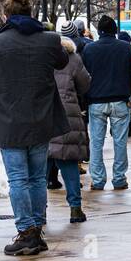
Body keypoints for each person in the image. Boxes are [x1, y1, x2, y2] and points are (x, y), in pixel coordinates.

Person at [0, 0, 68, 256]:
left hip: (9, 124)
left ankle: (27, 232)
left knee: (18, 179)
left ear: (6, 14)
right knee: (37, 178)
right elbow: (63, 59)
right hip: (42, 120)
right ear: (31, 11)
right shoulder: (50, 40)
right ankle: (37, 228)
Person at [81, 15, 131, 193]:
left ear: (98, 31)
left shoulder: (89, 50)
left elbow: (84, 77)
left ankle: (98, 179)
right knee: (120, 142)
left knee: (96, 143)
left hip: (96, 100)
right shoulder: (125, 48)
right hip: (119, 99)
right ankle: (119, 178)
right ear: (115, 31)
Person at [48, 31, 92, 224]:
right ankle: (75, 208)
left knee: (40, 168)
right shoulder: (73, 59)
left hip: (43, 113)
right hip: (68, 115)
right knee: (69, 163)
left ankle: (39, 212)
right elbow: (85, 84)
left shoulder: (42, 57)